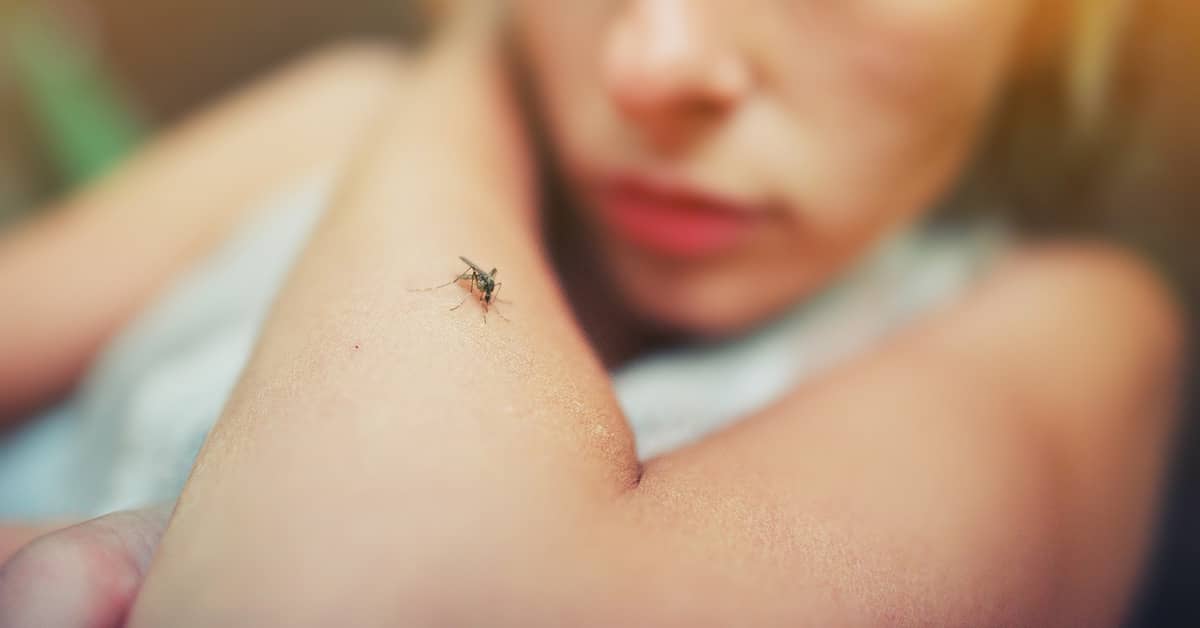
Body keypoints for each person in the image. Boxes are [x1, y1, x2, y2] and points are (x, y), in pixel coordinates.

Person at [0, 1, 1189, 625]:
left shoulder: (1065, 326)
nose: (655, 62)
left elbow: (376, 609)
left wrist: (467, 70)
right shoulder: (328, 124)